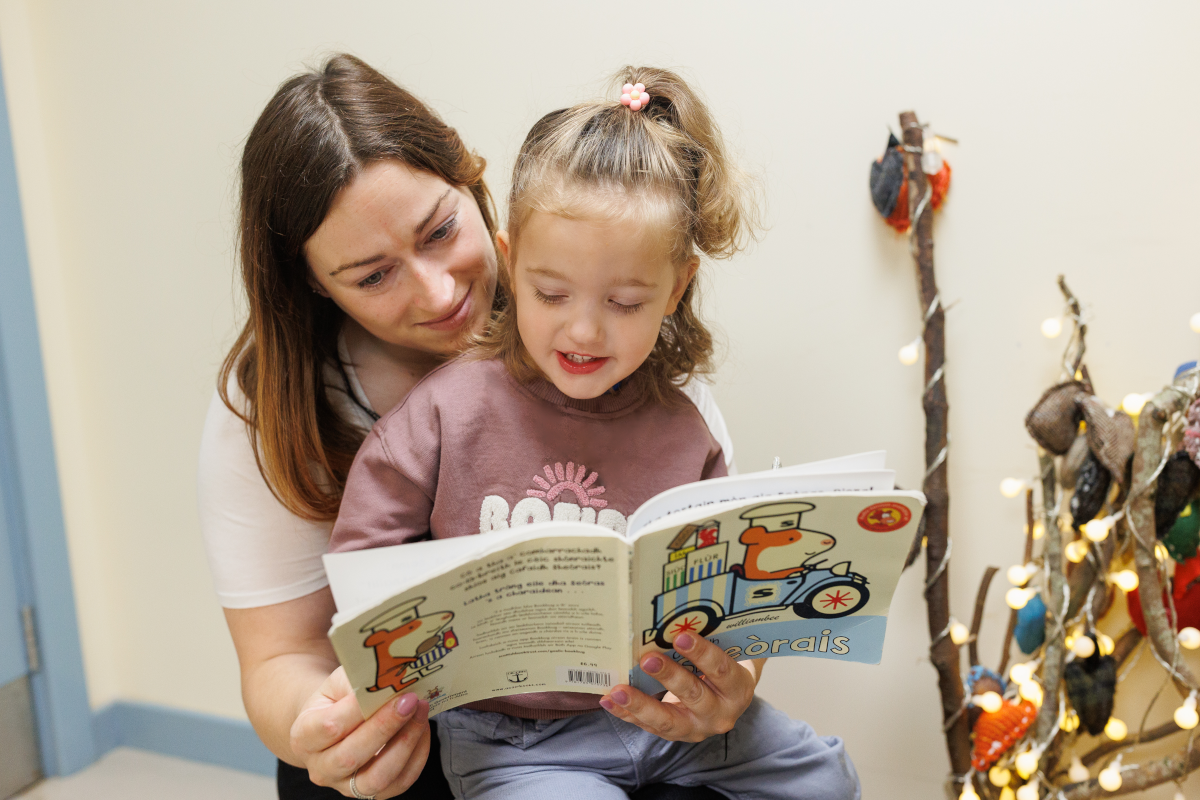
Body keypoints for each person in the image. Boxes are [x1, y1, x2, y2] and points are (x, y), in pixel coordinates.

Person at [197, 54, 738, 799]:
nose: (438, 290)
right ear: (315, 286)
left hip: (608, 723)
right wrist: (322, 726)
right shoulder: (270, 406)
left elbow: (723, 610)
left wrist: (724, 687)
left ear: (474, 187)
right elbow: (277, 658)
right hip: (407, 738)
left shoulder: (611, 345)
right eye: (372, 275)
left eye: (440, 230)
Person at [327, 67, 860, 800]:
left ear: (675, 289)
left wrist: (718, 675)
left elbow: (733, 605)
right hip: (515, 741)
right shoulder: (447, 411)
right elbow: (362, 564)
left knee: (827, 778)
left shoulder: (685, 430)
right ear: (509, 262)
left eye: (625, 300)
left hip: (659, 717)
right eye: (550, 294)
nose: (583, 328)